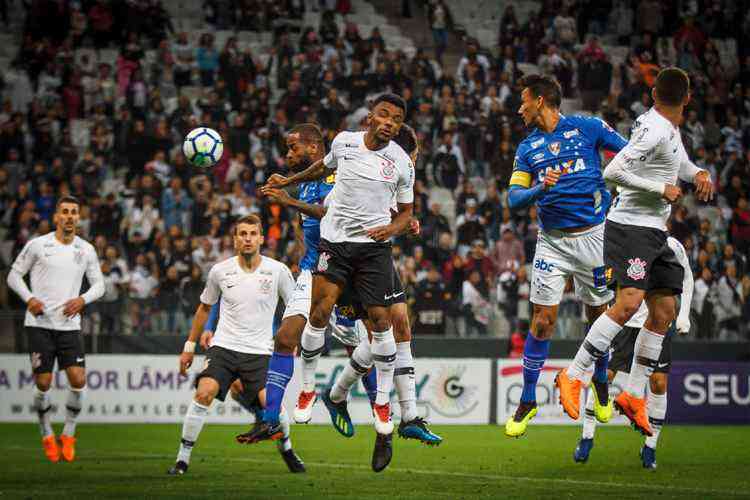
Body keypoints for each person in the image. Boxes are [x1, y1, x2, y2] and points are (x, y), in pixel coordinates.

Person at [248, 94, 415, 470]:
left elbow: (336, 209)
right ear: (371, 117)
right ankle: (274, 416)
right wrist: (289, 185)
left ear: (312, 145)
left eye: (293, 147)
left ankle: (378, 428)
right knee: (290, 334)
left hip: (358, 259)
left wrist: (287, 198)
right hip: (320, 264)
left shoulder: (347, 169)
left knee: (374, 344)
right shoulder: (327, 164)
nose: (288, 152)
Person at [558, 67, 714, 436]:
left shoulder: (667, 127)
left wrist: (699, 173)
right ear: (687, 97)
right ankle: (573, 374)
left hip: (653, 232)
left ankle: (631, 394)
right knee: (629, 303)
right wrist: (660, 189)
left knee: (663, 310)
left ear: (654, 93)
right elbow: (613, 171)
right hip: (630, 227)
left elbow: (680, 165)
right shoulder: (656, 129)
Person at [504, 74, 628, 438]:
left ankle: (601, 381)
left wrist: (614, 188)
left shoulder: (588, 128)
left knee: (597, 318)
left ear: (540, 100)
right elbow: (513, 199)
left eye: (523, 100)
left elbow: (628, 152)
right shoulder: (527, 149)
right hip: (552, 242)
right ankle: (528, 399)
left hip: (594, 238)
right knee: (542, 321)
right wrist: (543, 186)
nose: (519, 107)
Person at [166, 215, 304, 475]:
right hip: (224, 347)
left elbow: (295, 307)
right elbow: (204, 308)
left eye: (253, 233)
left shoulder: (278, 271)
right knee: (204, 392)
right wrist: (189, 346)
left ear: (262, 239)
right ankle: (182, 460)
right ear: (235, 239)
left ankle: (286, 449)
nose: (248, 238)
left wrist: (291, 339)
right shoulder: (220, 270)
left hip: (261, 351)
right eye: (243, 233)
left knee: (275, 409)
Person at [574, 237, 693, 469]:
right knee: (604, 376)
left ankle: (650, 446)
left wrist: (684, 313)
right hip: (625, 322)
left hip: (658, 323)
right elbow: (603, 277)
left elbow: (686, 276)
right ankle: (587, 436)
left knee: (659, 383)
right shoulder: (626, 236)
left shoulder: (673, 245)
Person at [6, 196, 105, 462]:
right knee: (44, 381)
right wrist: (30, 299)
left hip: (69, 327)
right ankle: (46, 431)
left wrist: (83, 299)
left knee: (78, 380)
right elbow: (13, 275)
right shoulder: (38, 245)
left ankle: (69, 433)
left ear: (79, 218)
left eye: (74, 212)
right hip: (39, 323)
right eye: (65, 212)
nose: (70, 216)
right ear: (56, 218)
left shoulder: (86, 250)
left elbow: (100, 285)